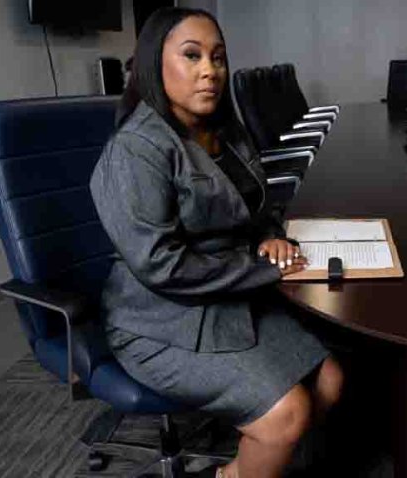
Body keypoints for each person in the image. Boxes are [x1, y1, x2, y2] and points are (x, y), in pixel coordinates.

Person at [89, 7, 343, 478]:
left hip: (227, 298)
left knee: (330, 381)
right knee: (288, 413)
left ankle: (252, 466)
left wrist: (271, 239)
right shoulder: (137, 150)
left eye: (218, 57)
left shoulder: (223, 131)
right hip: (159, 320)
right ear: (153, 64)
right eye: (191, 56)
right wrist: (266, 270)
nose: (210, 70)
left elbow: (257, 206)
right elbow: (161, 267)